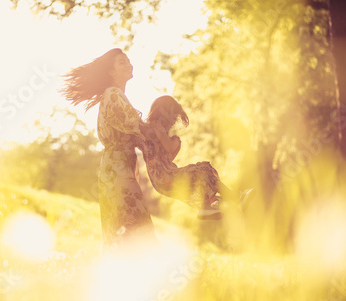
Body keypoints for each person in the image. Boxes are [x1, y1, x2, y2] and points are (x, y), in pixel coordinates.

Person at [61, 48, 158, 254]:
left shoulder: (118, 96)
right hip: (117, 169)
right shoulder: (113, 94)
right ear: (112, 72)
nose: (129, 64)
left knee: (126, 227)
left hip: (118, 167)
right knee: (131, 225)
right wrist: (160, 134)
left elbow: (137, 134)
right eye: (122, 62)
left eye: (129, 61)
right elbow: (135, 126)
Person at [140, 95, 251, 219]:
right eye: (171, 120)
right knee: (201, 171)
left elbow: (168, 157)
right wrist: (170, 140)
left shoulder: (159, 133)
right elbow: (169, 147)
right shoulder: (155, 128)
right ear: (162, 115)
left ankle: (209, 206)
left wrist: (171, 142)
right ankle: (222, 202)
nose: (172, 125)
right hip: (163, 177)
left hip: (167, 176)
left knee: (204, 169)